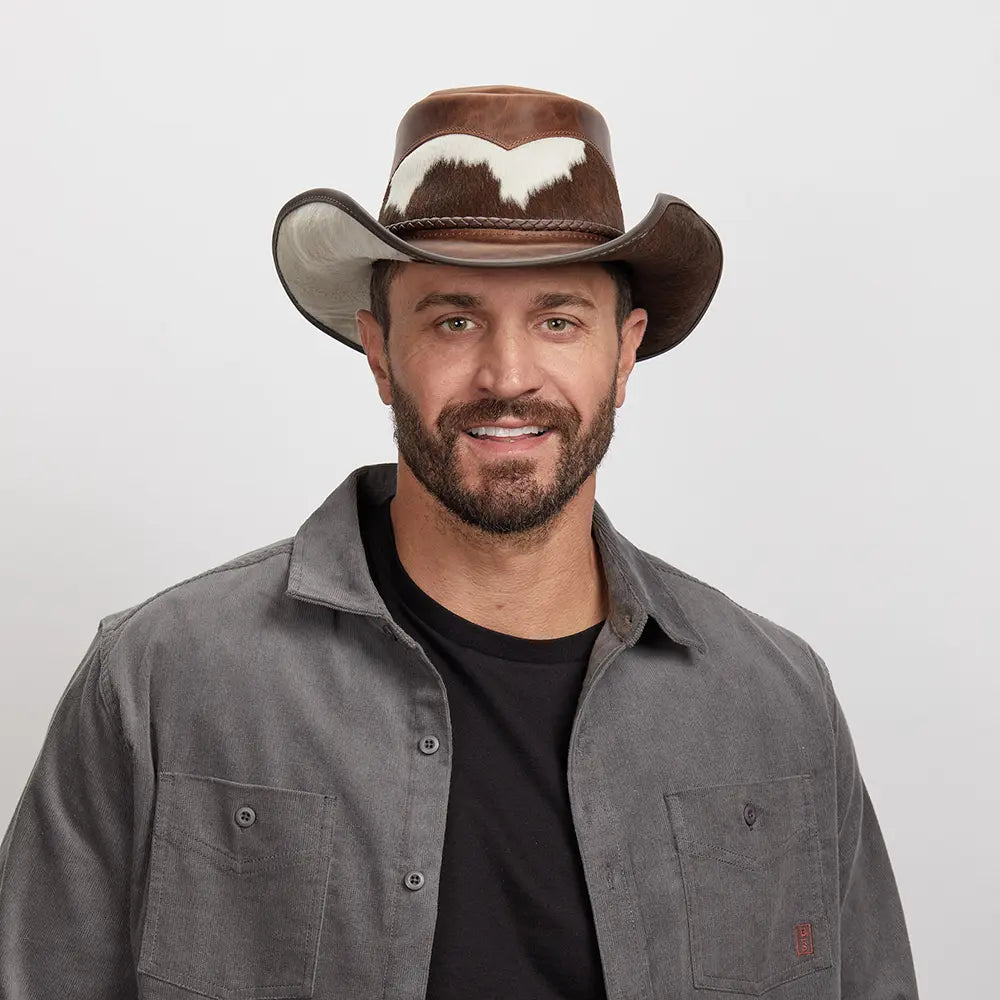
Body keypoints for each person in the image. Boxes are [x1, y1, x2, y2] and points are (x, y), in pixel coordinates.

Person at [0, 85, 919, 999]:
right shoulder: (162, 680)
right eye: (453, 319)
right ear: (379, 352)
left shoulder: (775, 700)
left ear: (625, 351)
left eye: (558, 320)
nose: (509, 376)